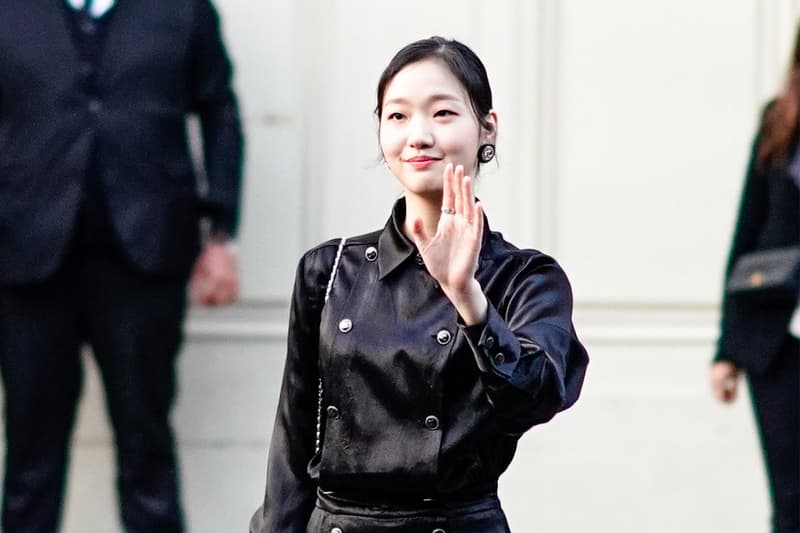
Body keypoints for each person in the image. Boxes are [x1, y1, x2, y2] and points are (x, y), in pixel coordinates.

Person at [249, 36, 588, 533]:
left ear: (487, 127)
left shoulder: (526, 278)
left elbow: (535, 398)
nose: (418, 135)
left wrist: (467, 296)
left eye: (443, 113)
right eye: (398, 116)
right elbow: (291, 445)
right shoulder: (330, 270)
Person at [0, 0, 243, 531]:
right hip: (26, 259)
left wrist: (221, 235)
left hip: (145, 260)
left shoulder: (185, 10)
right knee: (29, 454)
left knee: (145, 444)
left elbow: (219, 111)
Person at [711, 23, 800, 533]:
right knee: (791, 501)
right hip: (777, 341)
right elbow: (748, 231)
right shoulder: (779, 121)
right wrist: (728, 348)